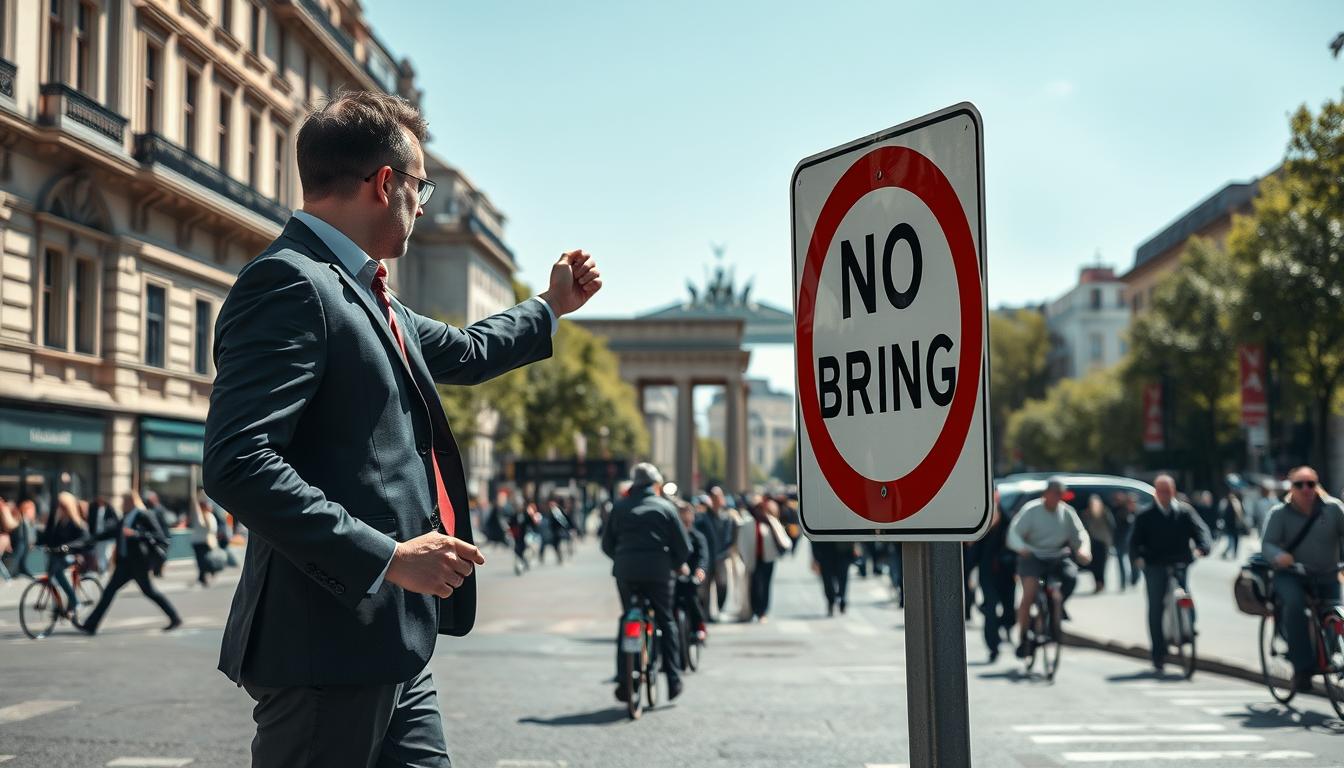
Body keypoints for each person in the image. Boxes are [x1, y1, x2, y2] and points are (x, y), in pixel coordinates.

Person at [202, 91, 601, 768]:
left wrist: (550, 306)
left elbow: (469, 352)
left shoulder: (365, 291)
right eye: (420, 186)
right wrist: (386, 557)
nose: (421, 203)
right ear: (385, 184)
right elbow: (238, 462)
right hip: (324, 651)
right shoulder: (290, 284)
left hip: (394, 643)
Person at [601, 463, 691, 701]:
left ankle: (623, 679)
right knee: (665, 619)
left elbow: (606, 545)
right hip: (658, 573)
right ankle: (673, 680)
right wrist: (672, 564)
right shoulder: (666, 508)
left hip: (625, 572)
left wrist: (621, 558)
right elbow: (684, 548)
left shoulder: (619, 508)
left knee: (627, 617)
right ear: (654, 484)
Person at [1261, 466, 1344, 692]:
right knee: (1295, 605)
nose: (1306, 489)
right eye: (1300, 484)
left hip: (1326, 574)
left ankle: (1330, 655)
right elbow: (1267, 544)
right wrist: (1279, 556)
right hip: (1292, 575)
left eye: (1311, 483)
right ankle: (1302, 668)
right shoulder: (1280, 513)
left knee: (1335, 613)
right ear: (1292, 488)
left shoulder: (1334, 509)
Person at [1129, 474, 1211, 674]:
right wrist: (1138, 558)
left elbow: (1202, 531)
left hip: (1180, 561)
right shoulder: (1145, 515)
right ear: (1156, 493)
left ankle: (1189, 629)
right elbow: (1134, 543)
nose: (1165, 495)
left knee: (1185, 596)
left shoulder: (1184, 512)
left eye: (1168, 491)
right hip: (1155, 564)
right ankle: (1159, 653)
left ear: (1173, 491)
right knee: (1156, 606)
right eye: (1161, 491)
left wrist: (1202, 547)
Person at [1008, 478, 1091, 659]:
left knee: (1071, 577)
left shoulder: (1067, 512)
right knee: (1028, 595)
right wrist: (1021, 547)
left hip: (1057, 555)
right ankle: (1023, 635)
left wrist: (1083, 550)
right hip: (1032, 555)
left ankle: (1056, 609)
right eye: (1054, 494)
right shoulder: (1031, 510)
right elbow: (1013, 532)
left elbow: (1080, 534)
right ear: (1046, 494)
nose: (1057, 498)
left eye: (1061, 495)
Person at [80, 491, 182, 634]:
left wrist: (136, 534)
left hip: (139, 562)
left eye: (124, 501)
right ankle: (91, 625)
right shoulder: (126, 517)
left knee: (149, 592)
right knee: (109, 592)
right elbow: (112, 532)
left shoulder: (143, 515)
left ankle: (175, 618)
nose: (122, 504)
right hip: (125, 563)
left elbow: (159, 535)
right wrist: (90, 539)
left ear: (132, 502)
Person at [977, 488, 1017, 661]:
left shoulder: (1009, 520)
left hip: (1007, 574)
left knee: (1009, 611)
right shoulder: (978, 523)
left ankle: (1005, 626)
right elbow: (972, 553)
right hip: (987, 574)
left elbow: (1016, 547)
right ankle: (993, 645)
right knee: (991, 609)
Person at [38, 492, 92, 618]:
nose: (59, 508)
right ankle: (58, 605)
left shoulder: (76, 522)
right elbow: (49, 537)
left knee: (57, 572)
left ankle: (74, 600)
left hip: (74, 555)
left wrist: (69, 546)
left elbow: (84, 540)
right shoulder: (57, 520)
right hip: (58, 555)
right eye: (58, 506)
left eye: (62, 506)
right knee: (50, 576)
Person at [737, 497, 791, 622]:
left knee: (765, 585)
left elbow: (781, 538)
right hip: (753, 559)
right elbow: (742, 542)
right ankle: (754, 609)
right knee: (755, 585)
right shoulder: (748, 523)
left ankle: (763, 611)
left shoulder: (771, 521)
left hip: (768, 559)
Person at [696, 489, 736, 622]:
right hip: (707, 558)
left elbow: (730, 537)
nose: (716, 500)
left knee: (723, 585)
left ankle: (719, 609)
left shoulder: (727, 517)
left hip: (722, 557)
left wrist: (727, 551)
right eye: (714, 497)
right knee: (704, 588)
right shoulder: (702, 517)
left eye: (719, 497)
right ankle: (705, 615)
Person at [675, 500, 709, 642]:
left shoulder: (697, 537)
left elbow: (703, 556)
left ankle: (699, 626)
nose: (686, 520)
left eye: (688, 516)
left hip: (691, 577)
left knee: (691, 596)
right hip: (674, 576)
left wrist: (700, 570)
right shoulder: (673, 536)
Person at [1080, 494, 1115, 592]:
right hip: (1093, 542)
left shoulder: (1105, 512)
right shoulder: (1086, 514)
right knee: (1095, 565)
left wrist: (1112, 541)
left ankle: (1101, 584)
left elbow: (1112, 526)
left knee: (1102, 565)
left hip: (1104, 542)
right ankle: (1098, 584)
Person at [812, 540, 858, 616]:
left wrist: (855, 545)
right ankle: (831, 601)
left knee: (843, 576)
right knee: (827, 579)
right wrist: (815, 556)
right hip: (825, 550)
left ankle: (842, 599)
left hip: (844, 550)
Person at [190, 497, 221, 587]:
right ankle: (202, 576)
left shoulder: (208, 516)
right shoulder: (206, 516)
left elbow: (209, 528)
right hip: (199, 542)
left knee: (203, 560)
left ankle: (205, 575)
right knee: (202, 560)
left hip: (203, 542)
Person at [1218, 488, 1246, 559]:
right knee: (1232, 540)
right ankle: (1231, 553)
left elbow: (1239, 514)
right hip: (1232, 525)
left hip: (1234, 525)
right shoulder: (1229, 503)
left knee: (1233, 540)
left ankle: (1231, 553)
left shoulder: (1234, 503)